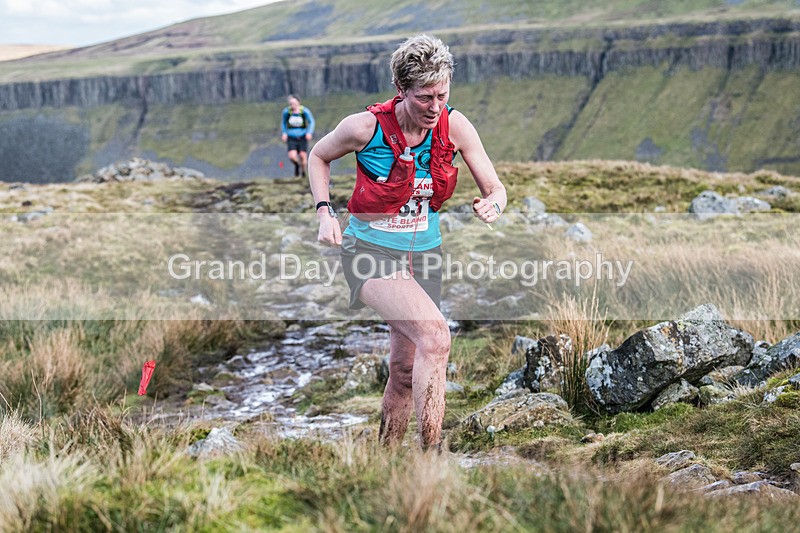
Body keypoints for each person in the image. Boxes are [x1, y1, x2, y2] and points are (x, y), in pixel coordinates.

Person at [308, 35, 506, 450]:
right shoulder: (364, 127)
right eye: (424, 97)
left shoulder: (456, 125)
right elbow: (318, 156)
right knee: (436, 338)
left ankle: (385, 459)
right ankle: (430, 462)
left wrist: (493, 204)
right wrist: (325, 212)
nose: (435, 107)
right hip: (369, 251)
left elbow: (496, 188)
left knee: (403, 367)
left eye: (442, 95)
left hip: (424, 255)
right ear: (401, 90)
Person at [281, 94, 315, 177]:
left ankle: (303, 172)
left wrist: (309, 132)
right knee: (292, 156)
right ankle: (297, 165)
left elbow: (311, 121)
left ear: (298, 102)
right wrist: (284, 133)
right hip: (291, 137)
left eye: (294, 103)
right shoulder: (287, 112)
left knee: (303, 157)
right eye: (291, 104)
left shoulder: (304, 111)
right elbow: (283, 123)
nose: (293, 105)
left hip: (302, 137)